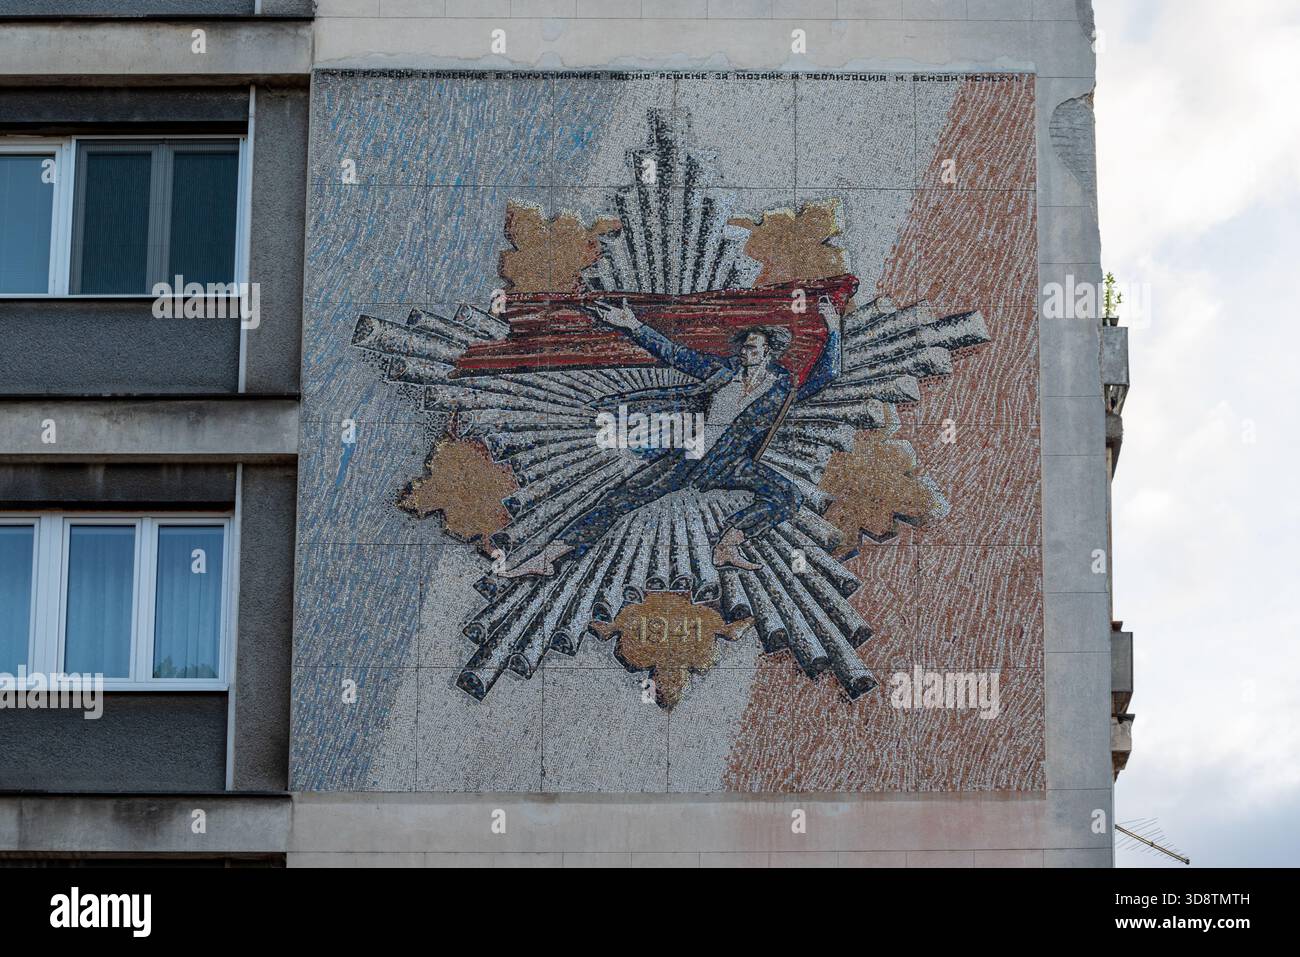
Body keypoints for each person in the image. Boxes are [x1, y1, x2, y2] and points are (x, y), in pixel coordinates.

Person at [500, 294, 843, 577]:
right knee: (623, 497)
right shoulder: (723, 373)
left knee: (787, 495)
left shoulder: (782, 389)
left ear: (768, 352)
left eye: (752, 348)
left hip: (731, 464)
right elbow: (677, 354)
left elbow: (828, 374)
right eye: (744, 347)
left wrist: (835, 331)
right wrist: (633, 324)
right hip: (691, 453)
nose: (744, 352)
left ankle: (729, 543)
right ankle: (550, 556)